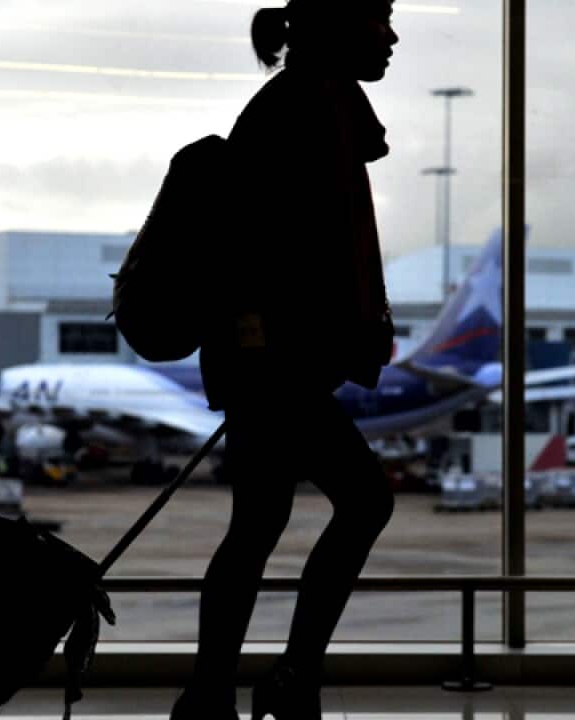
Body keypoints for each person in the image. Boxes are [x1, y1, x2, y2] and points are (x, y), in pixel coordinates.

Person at [172, 2, 399, 719]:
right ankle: (289, 680)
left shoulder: (313, 106)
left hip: (270, 364)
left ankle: (215, 694)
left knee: (258, 527)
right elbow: (261, 254)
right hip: (278, 367)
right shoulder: (303, 111)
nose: (391, 36)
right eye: (380, 18)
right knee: (364, 502)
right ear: (337, 25)